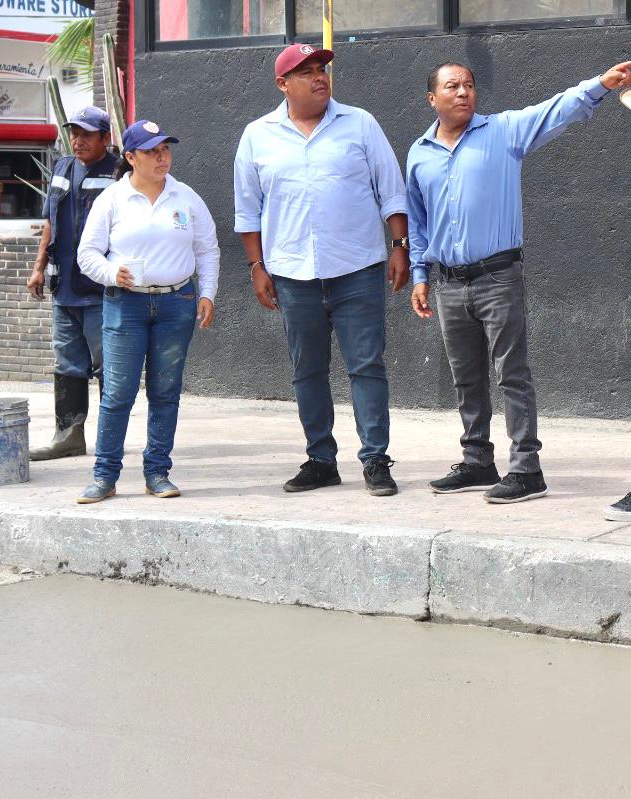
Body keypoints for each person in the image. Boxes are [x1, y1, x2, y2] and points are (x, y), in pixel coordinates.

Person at [407, 60, 631, 503]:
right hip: (449, 282)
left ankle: (527, 469)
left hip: (498, 277)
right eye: (452, 87)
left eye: (469, 85)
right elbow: (418, 222)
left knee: (512, 375)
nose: (463, 93)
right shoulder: (418, 152)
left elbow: (556, 109)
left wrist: (601, 85)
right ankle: (477, 462)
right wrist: (419, 274)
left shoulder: (503, 132)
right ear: (432, 98)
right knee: (465, 377)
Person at [234, 44, 409, 497]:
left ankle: (375, 459)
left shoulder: (360, 124)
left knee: (367, 367)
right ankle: (320, 459)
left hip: (358, 269)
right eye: (307, 72)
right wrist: (257, 266)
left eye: (322, 70)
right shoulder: (257, 135)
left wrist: (399, 247)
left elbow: (391, 190)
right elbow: (247, 211)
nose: (319, 78)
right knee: (306, 370)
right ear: (282, 84)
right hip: (292, 274)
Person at [75, 120, 220, 504]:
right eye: (152, 151)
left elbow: (207, 249)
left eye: (166, 150)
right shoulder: (112, 199)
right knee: (119, 393)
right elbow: (86, 254)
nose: (162, 157)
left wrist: (207, 293)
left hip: (177, 303)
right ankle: (104, 476)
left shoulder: (186, 197)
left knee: (166, 391)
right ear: (130, 157)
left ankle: (157, 471)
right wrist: (112, 272)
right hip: (126, 304)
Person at [27, 106, 118, 460]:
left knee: (108, 366)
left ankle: (110, 439)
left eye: (87, 135)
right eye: (75, 133)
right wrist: (38, 266)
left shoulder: (118, 172)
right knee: (67, 364)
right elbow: (50, 220)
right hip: (63, 287)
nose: (78, 141)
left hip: (99, 290)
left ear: (104, 139)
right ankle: (68, 436)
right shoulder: (62, 166)